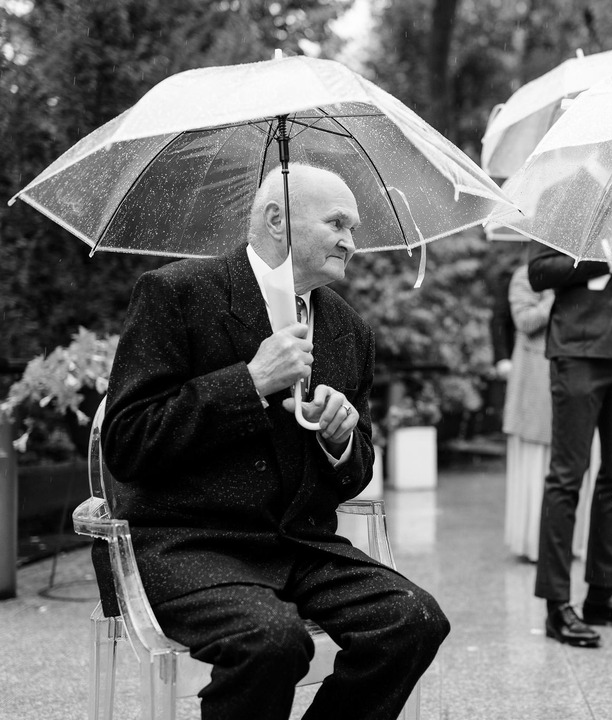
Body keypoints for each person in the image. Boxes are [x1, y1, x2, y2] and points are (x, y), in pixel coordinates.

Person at [98, 164, 449, 720]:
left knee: (413, 619)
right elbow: (127, 442)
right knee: (272, 640)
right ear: (276, 219)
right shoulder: (176, 293)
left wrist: (340, 440)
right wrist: (250, 381)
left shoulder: (350, 330)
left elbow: (355, 471)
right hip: (188, 545)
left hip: (301, 547)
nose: (351, 242)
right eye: (337, 223)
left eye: (353, 229)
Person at [529, 222, 612, 647]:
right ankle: (556, 604)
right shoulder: (564, 198)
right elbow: (539, 272)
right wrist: (609, 250)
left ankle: (601, 592)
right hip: (579, 350)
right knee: (567, 476)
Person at [503, 262, 555, 561]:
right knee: (535, 469)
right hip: (534, 387)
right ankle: (534, 544)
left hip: (565, 386)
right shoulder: (526, 275)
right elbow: (524, 320)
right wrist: (554, 297)